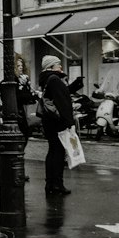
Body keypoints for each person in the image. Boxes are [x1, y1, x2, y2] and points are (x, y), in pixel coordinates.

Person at [40, 54, 74, 197]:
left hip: (49, 121)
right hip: (57, 122)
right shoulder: (54, 79)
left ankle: (50, 184)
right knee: (58, 153)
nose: (60, 66)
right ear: (51, 66)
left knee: (52, 151)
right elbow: (62, 103)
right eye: (58, 64)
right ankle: (57, 185)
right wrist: (70, 123)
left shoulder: (46, 79)